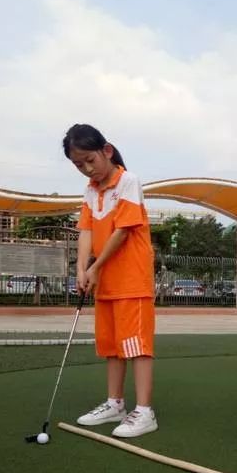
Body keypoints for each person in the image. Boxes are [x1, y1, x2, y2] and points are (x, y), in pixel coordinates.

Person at [63, 123, 157, 438]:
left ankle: (144, 411)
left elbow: (122, 231)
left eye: (90, 160)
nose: (87, 169)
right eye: (79, 165)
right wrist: (81, 269)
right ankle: (115, 403)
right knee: (113, 347)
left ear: (107, 151)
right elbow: (86, 231)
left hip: (132, 280)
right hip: (106, 284)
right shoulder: (91, 191)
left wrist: (95, 267)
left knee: (137, 346)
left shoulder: (128, 181)